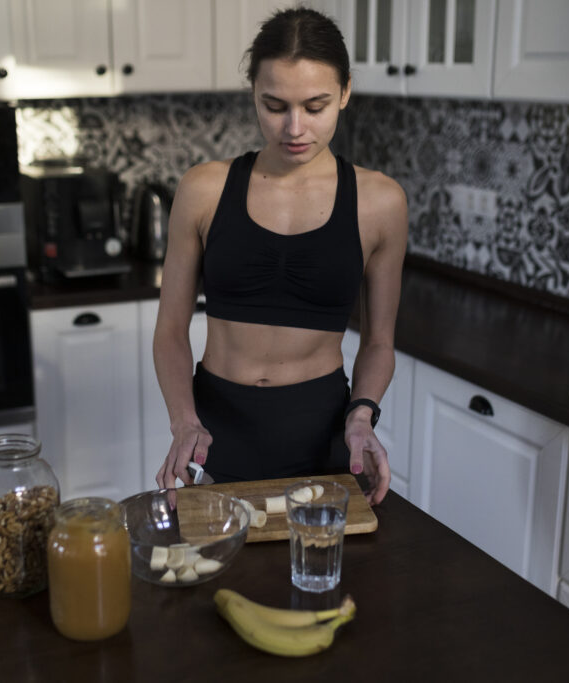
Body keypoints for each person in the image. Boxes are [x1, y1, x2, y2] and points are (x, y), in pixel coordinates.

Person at [152, 7, 407, 506]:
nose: (294, 127)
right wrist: (183, 419)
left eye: (316, 106)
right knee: (219, 579)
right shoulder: (204, 189)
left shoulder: (381, 202)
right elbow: (169, 330)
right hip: (214, 433)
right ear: (253, 94)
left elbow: (380, 342)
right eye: (275, 105)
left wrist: (362, 415)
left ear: (346, 93)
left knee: (321, 580)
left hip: (323, 435)